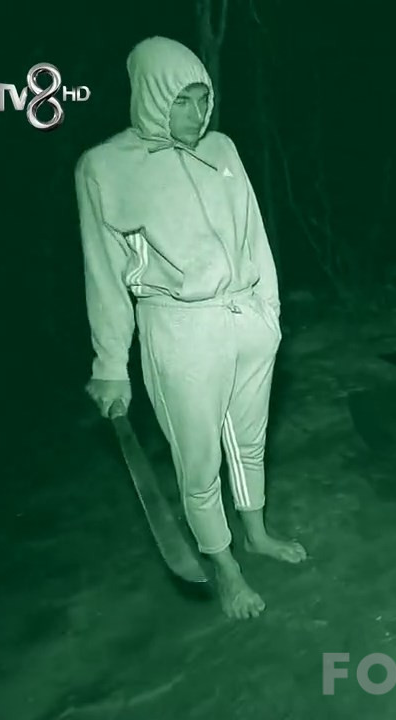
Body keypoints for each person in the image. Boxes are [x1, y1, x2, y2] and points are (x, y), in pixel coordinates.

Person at [77, 37, 305, 620]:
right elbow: (103, 277)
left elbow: (255, 235)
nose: (198, 113)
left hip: (246, 318)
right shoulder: (104, 167)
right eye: (182, 100)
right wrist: (111, 365)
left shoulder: (222, 149)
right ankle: (224, 566)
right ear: (152, 97)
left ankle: (256, 533)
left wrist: (270, 313)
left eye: (204, 99)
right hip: (179, 330)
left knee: (249, 440)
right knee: (199, 461)